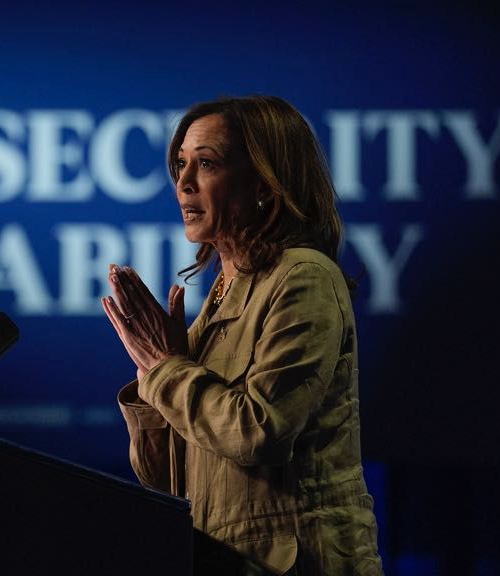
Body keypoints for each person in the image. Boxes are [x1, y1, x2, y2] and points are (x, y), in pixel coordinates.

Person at [102, 95, 383, 575]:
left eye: (206, 164)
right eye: (180, 164)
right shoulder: (221, 296)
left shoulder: (302, 277)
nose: (183, 183)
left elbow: (259, 433)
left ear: (265, 183)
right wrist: (152, 370)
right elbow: (167, 481)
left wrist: (168, 369)